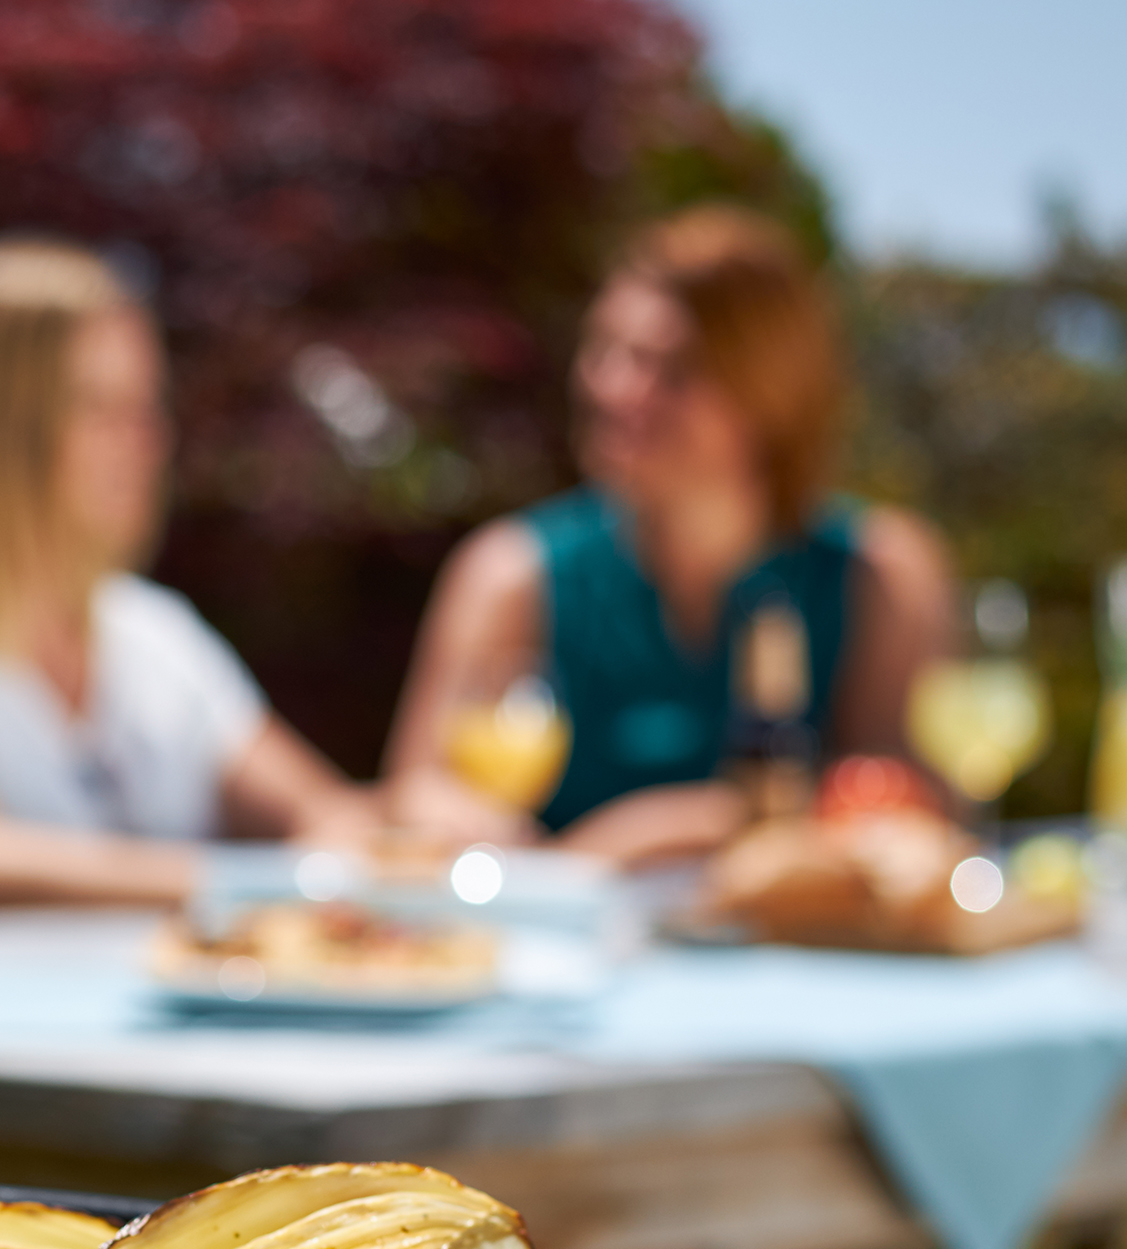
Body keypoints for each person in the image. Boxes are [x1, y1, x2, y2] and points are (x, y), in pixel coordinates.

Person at [0, 236, 376, 925]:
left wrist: (366, 841)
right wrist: (264, 883)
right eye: (100, 408)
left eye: (147, 408)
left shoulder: (153, 634)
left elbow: (324, 814)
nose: (144, 442)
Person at [384, 206, 954, 868]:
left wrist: (666, 831)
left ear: (767, 395)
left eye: (672, 369)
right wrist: (514, 846)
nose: (615, 388)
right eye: (606, 351)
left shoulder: (882, 574)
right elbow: (416, 797)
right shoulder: (512, 573)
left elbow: (919, 808)